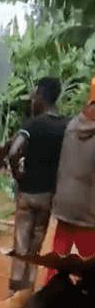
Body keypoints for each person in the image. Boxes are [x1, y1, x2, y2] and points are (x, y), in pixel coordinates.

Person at [7, 77, 70, 294]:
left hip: (27, 194)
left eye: (35, 95)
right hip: (48, 196)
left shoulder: (33, 124)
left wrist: (19, 175)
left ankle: (11, 301)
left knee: (21, 247)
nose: (32, 100)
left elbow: (14, 151)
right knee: (35, 249)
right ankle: (28, 298)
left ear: (42, 96)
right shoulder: (65, 126)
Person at [43, 79, 95, 284]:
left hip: (64, 206)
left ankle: (43, 300)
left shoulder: (73, 124)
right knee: (91, 267)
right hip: (87, 213)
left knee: (57, 261)